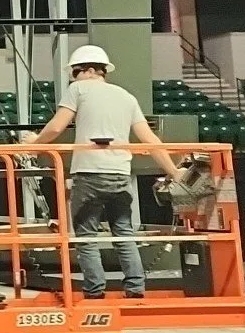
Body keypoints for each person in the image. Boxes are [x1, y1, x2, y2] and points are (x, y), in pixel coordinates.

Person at [22, 45, 187, 299]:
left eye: (75, 72)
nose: (74, 77)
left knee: (86, 236)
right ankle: (135, 289)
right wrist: (174, 171)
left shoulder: (77, 89)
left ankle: (95, 291)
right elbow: (150, 139)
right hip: (120, 175)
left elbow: (56, 127)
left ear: (87, 70)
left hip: (88, 174)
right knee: (124, 234)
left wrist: (34, 145)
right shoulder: (126, 96)